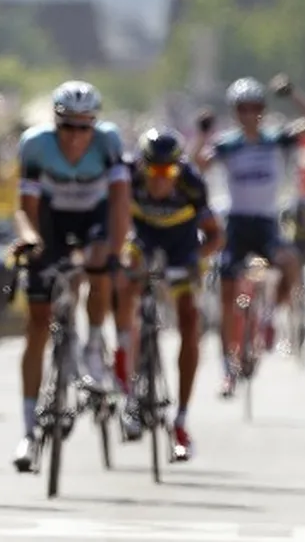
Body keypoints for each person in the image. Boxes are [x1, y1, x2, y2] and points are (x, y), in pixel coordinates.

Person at [12, 80, 130, 471]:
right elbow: (25, 207)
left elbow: (120, 202)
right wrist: (30, 240)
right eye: (67, 126)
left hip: (94, 217)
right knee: (36, 326)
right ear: (55, 121)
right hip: (51, 221)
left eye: (84, 127)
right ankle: (28, 430)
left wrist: (116, 251)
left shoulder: (109, 142)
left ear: (95, 124)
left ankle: (94, 344)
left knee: (99, 262)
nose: (76, 136)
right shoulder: (36, 144)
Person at [190, 75, 305, 397]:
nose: (250, 114)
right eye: (243, 109)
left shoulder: (277, 139)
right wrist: (203, 133)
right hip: (236, 225)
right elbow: (197, 165)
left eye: (255, 108)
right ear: (235, 112)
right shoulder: (227, 144)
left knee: (290, 263)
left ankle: (269, 317)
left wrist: (293, 93)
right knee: (226, 293)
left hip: (267, 224)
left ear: (262, 109)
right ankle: (227, 368)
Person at [117, 128, 223, 461]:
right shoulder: (129, 176)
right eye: (154, 170)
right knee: (126, 282)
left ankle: (181, 421)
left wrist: (199, 261)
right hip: (143, 240)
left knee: (190, 321)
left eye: (168, 171)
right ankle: (124, 362)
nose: (161, 178)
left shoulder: (191, 183)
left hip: (182, 248)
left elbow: (215, 236)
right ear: (142, 165)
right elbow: (114, 220)